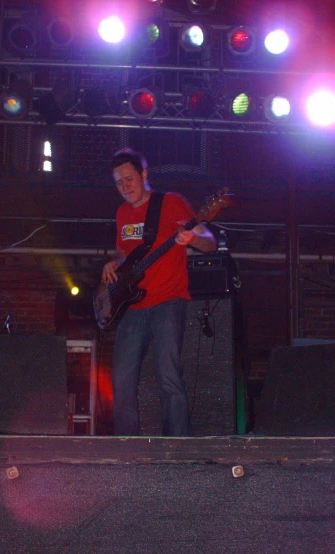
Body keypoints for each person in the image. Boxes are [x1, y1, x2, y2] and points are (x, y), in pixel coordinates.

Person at [101, 148, 216, 436]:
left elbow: (209, 242)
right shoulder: (121, 213)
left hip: (167, 300)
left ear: (144, 175)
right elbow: (122, 252)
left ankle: (177, 449)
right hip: (131, 307)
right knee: (122, 381)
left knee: (169, 376)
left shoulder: (171, 202)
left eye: (129, 179)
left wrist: (192, 238)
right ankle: (127, 450)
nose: (125, 187)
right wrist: (112, 264)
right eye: (118, 183)